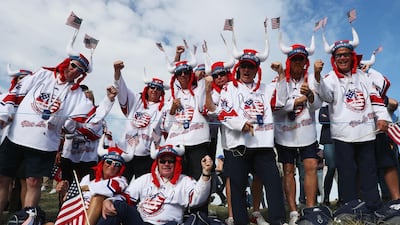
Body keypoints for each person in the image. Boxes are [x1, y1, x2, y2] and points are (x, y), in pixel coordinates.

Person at [0, 39, 97, 220]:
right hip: (15, 138)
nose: (74, 70)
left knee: (33, 182)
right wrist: (3, 115)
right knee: (3, 179)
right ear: (67, 62)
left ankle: (27, 220)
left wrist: (107, 102)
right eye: (73, 65)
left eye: (80, 70)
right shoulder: (43, 74)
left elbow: (90, 116)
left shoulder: (76, 94)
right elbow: (16, 93)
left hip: (43, 145)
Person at [315, 26, 392, 212]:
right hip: (343, 136)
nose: (342, 58)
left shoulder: (364, 77)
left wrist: (382, 117)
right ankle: (350, 209)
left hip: (366, 132)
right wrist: (317, 76)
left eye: (345, 54)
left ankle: (374, 207)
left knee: (369, 171)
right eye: (338, 55)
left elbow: (375, 98)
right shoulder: (330, 78)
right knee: (347, 173)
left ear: (352, 56)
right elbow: (326, 95)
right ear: (334, 59)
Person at [216, 27, 287, 224]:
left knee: (273, 182)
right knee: (238, 186)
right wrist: (241, 123)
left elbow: (280, 101)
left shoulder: (266, 88)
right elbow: (223, 112)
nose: (247, 70)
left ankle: (278, 220)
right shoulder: (228, 88)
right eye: (244, 66)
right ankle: (240, 221)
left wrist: (281, 76)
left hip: (263, 145)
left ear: (257, 69)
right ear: (239, 68)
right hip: (238, 146)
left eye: (251, 67)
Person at [204, 57, 269, 225]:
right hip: (228, 141)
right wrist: (206, 88)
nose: (219, 78)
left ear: (229, 73)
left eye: (223, 74)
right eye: (216, 75)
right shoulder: (216, 92)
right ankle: (233, 214)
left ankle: (255, 211)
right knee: (231, 178)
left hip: (255, 139)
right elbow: (210, 109)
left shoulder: (238, 87)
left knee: (258, 175)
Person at [271, 32, 321, 225]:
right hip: (285, 135)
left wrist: (309, 96)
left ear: (305, 62)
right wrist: (298, 100)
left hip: (307, 133)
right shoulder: (278, 81)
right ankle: (292, 211)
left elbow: (317, 106)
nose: (298, 64)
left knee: (310, 167)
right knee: (289, 171)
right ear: (289, 62)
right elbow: (277, 106)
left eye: (301, 60)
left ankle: (309, 208)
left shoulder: (312, 79)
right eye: (295, 60)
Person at [96, 144, 213, 225]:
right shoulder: (145, 179)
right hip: (141, 222)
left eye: (170, 161)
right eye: (162, 161)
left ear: (176, 163)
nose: (166, 164)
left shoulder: (185, 180)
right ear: (157, 163)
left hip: (169, 223)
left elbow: (198, 199)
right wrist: (110, 200)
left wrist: (206, 173)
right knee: (115, 207)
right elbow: (126, 197)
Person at [112, 60, 168, 182]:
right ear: (147, 89)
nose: (154, 90)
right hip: (126, 152)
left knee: (142, 190)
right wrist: (117, 71)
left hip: (147, 156)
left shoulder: (165, 107)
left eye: (158, 89)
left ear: (162, 93)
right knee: (119, 184)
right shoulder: (136, 100)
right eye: (152, 87)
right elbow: (121, 89)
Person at [46, 146, 129, 225]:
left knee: (98, 197)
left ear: (120, 168)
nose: (112, 166)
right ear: (102, 163)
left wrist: (81, 188)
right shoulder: (88, 177)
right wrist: (65, 192)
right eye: (109, 162)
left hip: (98, 216)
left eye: (117, 164)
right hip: (77, 212)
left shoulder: (121, 180)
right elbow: (72, 200)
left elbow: (104, 188)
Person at [360, 52, 400, 201]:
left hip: (383, 134)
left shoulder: (377, 91)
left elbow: (395, 104)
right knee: (371, 168)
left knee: (389, 165)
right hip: (364, 134)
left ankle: (395, 200)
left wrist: (381, 98)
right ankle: (379, 199)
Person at [58, 85, 117, 184]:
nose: (86, 103)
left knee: (86, 186)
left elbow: (90, 133)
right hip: (69, 156)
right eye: (84, 100)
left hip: (88, 158)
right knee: (65, 184)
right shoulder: (71, 114)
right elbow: (67, 129)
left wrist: (73, 131)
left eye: (89, 100)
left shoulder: (99, 118)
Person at [318, 104, 338, 206]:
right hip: (328, 140)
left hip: (341, 139)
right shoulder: (324, 108)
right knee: (331, 167)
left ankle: (343, 197)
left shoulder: (342, 107)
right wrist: (338, 118)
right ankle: (326, 197)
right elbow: (322, 120)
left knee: (343, 170)